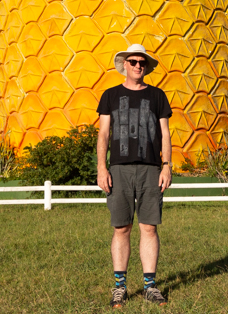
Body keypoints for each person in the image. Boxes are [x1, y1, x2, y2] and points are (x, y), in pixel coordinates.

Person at [96, 44, 173, 308]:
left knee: (149, 227)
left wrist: (167, 165)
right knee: (121, 227)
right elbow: (104, 134)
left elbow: (165, 133)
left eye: (142, 62)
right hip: (119, 168)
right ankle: (120, 286)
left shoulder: (157, 96)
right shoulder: (110, 95)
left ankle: (150, 285)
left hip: (151, 167)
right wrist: (101, 168)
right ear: (124, 65)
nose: (138, 65)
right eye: (133, 61)